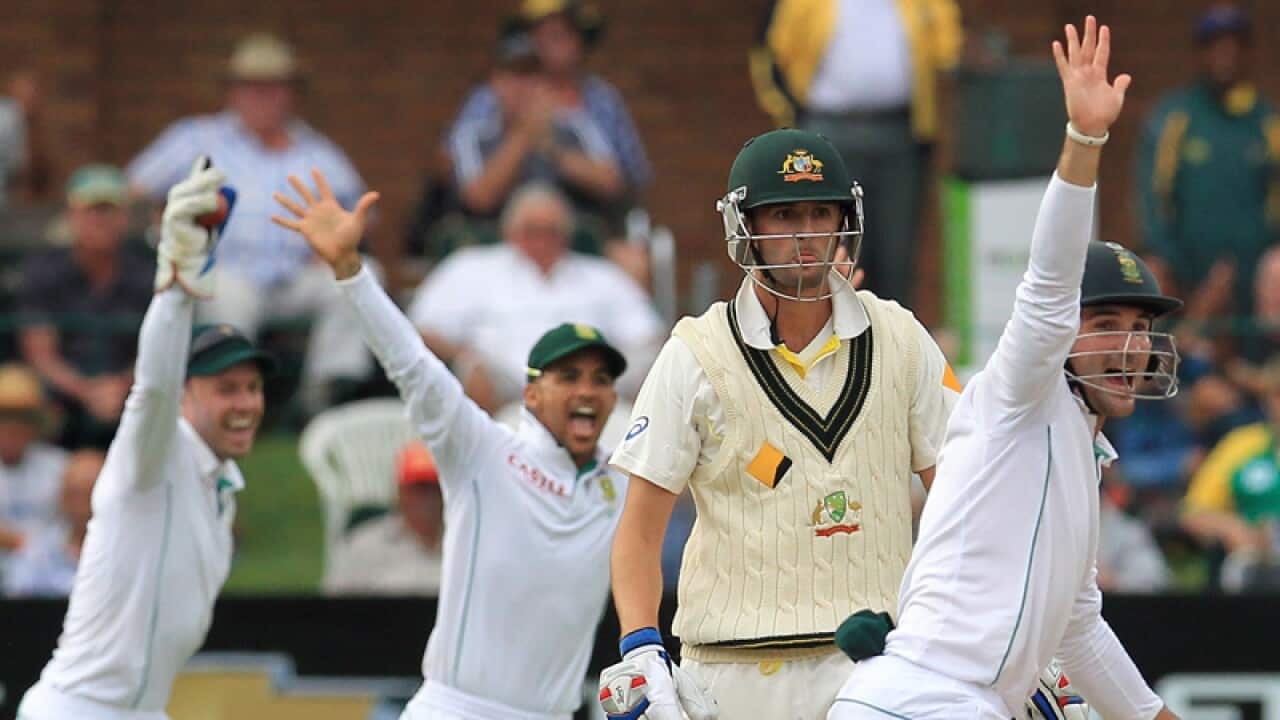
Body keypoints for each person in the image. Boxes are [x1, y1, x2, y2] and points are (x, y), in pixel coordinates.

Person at [828, 18, 1184, 719]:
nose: (1130, 345)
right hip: (926, 702)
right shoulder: (1021, 393)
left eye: (1140, 329)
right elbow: (1050, 284)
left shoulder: (1081, 454)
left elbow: (1079, 631)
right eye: (1106, 323)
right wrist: (1084, 140)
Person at [599, 123, 961, 720]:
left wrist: (998, 625)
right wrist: (641, 647)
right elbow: (639, 531)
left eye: (822, 213)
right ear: (746, 228)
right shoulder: (696, 352)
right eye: (785, 215)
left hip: (877, 666)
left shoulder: (900, 336)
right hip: (733, 673)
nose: (807, 235)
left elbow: (959, 500)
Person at [272, 169, 631, 719]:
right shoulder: (486, 451)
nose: (587, 392)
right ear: (533, 394)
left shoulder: (621, 480)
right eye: (569, 378)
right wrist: (351, 271)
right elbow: (412, 365)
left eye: (601, 380)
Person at [17, 158, 277, 720]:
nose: (245, 405)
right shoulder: (158, 454)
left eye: (253, 389)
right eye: (226, 389)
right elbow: (152, 388)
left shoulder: (222, 486)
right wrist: (179, 281)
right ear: (187, 397)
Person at [127, 32, 371, 412]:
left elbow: (359, 213)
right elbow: (133, 192)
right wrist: (171, 230)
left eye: (274, 87)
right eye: (253, 87)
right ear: (233, 92)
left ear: (291, 93)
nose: (263, 98)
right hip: (225, 268)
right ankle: (234, 399)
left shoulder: (318, 150)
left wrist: (335, 246)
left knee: (362, 274)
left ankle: (324, 396)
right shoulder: (196, 137)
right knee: (228, 295)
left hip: (298, 274)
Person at [749, 0, 962, 307]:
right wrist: (791, 116)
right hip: (829, 132)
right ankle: (831, 338)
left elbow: (950, 49)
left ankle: (893, 341)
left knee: (897, 248)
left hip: (898, 131)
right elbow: (770, 53)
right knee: (832, 245)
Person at [408, 182, 662, 414]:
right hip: (506, 386)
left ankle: (633, 456)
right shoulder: (470, 267)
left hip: (590, 389)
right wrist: (464, 355)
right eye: (531, 231)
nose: (542, 241)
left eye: (552, 231)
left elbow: (647, 335)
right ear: (509, 231)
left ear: (568, 234)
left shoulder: (602, 275)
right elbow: (422, 327)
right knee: (473, 370)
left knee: (653, 366)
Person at [1136, 3, 1280, 322]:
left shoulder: (1268, 122)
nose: (1226, 55)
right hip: (1185, 271)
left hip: (1253, 273)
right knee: (1152, 273)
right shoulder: (1175, 116)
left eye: (1235, 46)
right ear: (1199, 53)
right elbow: (1152, 198)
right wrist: (1173, 262)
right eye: (1216, 45)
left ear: (1249, 53)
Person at [18, 164, 153, 449]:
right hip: (59, 398)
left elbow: (157, 348)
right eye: (91, 210)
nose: (100, 219)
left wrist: (120, 386)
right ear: (71, 217)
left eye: (109, 210)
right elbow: (40, 354)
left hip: (136, 395)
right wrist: (88, 391)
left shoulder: (147, 274)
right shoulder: (42, 273)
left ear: (124, 218)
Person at [1182, 355, 1280, 592]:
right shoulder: (1242, 444)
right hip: (1257, 571)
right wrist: (1232, 528)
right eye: (1278, 394)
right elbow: (1193, 513)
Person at [322, 440, 445, 596]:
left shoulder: (468, 545)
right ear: (400, 492)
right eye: (419, 488)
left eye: (437, 487)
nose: (429, 498)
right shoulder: (363, 547)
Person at [3, 449, 103, 598]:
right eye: (74, 494)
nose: (81, 507)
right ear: (61, 498)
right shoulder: (37, 550)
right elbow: (17, 605)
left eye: (89, 494)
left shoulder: (128, 550)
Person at [0, 363, 68, 573]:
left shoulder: (61, 466)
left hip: (50, 573)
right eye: (4, 419)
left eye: (22, 419)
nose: (12, 427)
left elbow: (75, 526)